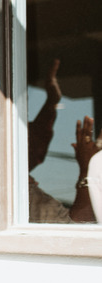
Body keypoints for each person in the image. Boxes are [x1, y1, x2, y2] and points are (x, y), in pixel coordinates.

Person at [27, 59, 97, 222]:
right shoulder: (20, 197)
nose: (43, 145)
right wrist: (87, 169)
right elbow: (77, 230)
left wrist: (51, 101)